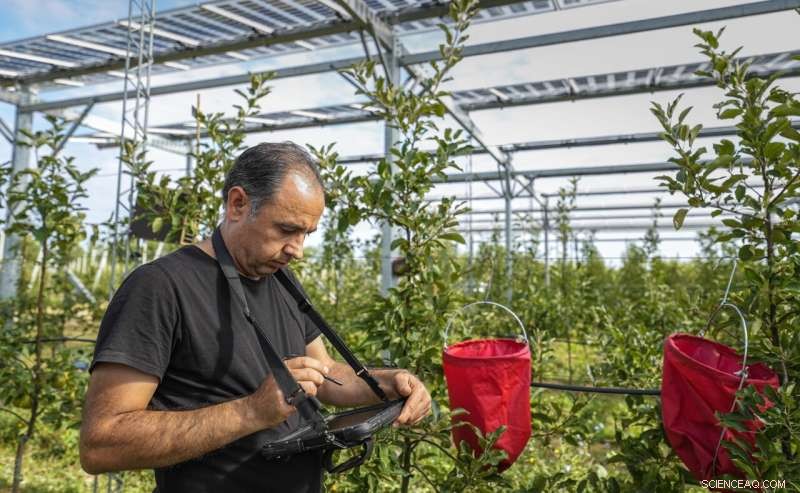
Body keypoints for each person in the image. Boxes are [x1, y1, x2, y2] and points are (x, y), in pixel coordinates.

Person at [79, 142, 432, 492]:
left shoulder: (282, 280)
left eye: (306, 234)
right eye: (286, 229)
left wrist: (390, 381)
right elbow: (101, 444)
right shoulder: (160, 287)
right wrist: (250, 412)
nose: (297, 250)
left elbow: (324, 375)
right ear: (238, 204)